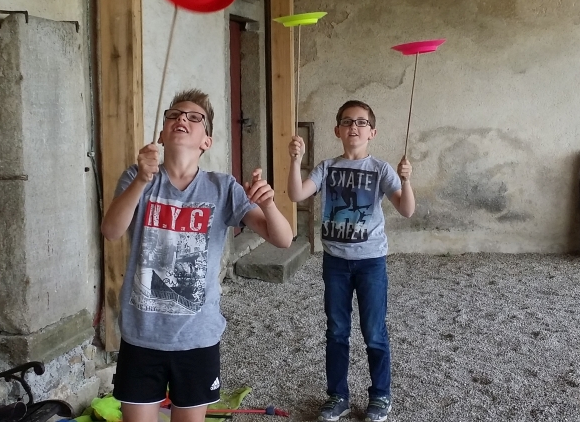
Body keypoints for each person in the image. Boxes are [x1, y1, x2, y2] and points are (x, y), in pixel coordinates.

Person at [101, 89, 293, 422]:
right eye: (174, 115)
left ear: (207, 141)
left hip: (197, 337)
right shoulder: (136, 178)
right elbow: (111, 230)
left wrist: (269, 204)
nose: (182, 120)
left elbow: (283, 239)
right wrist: (142, 179)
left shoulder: (223, 187)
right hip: (142, 335)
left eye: (194, 117)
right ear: (162, 135)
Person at [287, 100, 415, 422]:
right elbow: (297, 194)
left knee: (374, 331)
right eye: (347, 122)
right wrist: (296, 160)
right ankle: (337, 396)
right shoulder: (327, 167)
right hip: (335, 262)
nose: (354, 127)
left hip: (371, 262)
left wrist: (406, 180)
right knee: (336, 330)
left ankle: (381, 395)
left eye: (361, 122)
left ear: (372, 132)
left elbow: (407, 209)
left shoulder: (380, 169)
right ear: (337, 130)